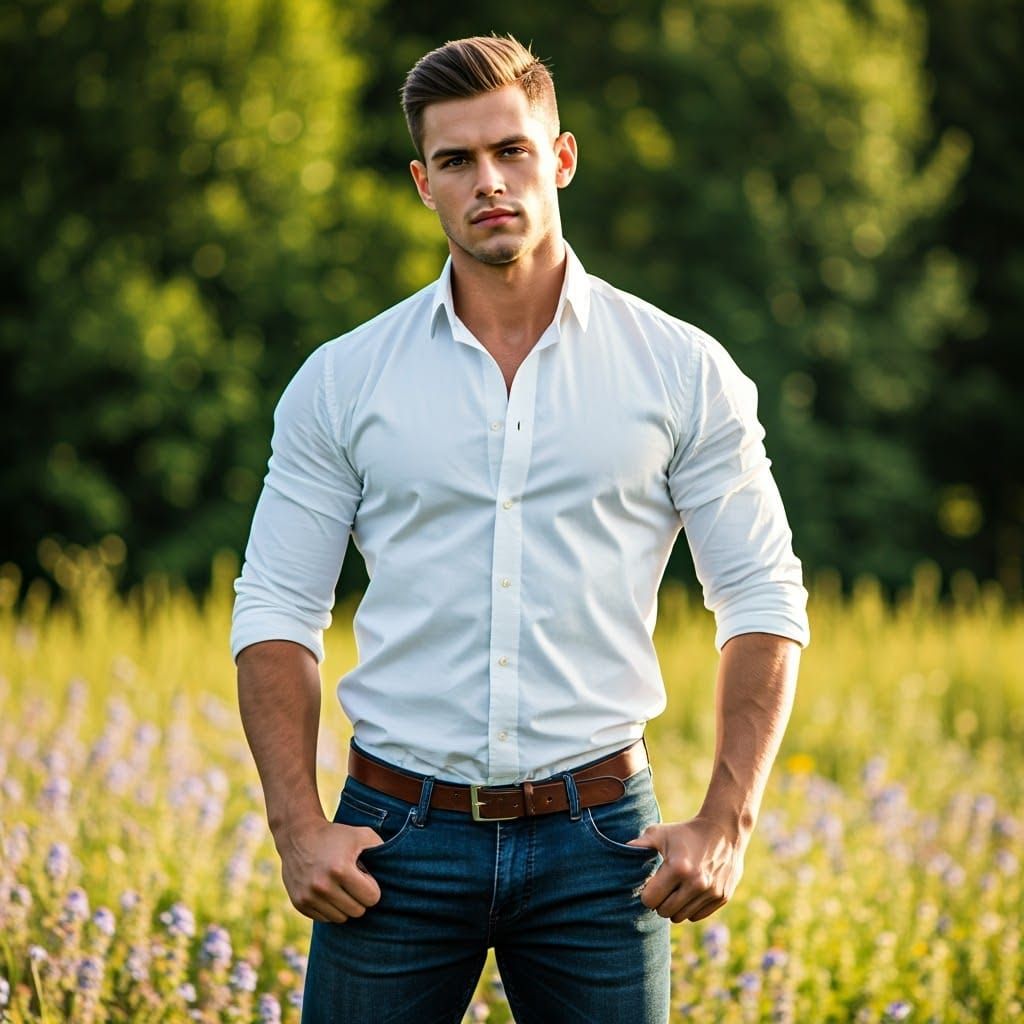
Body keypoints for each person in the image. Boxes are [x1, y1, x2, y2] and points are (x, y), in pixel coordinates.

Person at [231, 33, 810, 1024]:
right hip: (391, 839)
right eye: (456, 160)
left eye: (512, 150)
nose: (487, 181)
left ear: (563, 158)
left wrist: (727, 818)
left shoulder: (679, 370)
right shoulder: (343, 378)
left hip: (601, 844)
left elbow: (759, 599)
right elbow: (279, 609)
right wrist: (295, 824)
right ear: (422, 181)